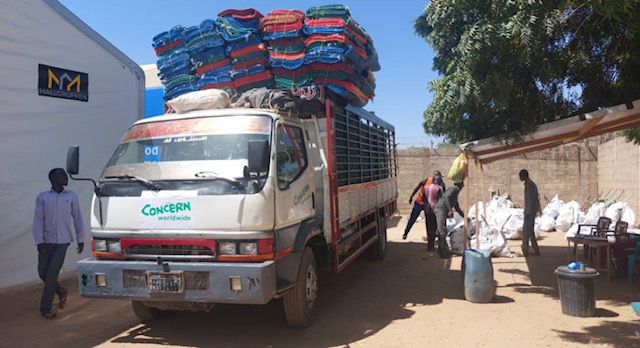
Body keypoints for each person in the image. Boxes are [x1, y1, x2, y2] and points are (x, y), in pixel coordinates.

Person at [33, 168, 85, 319]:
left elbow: (77, 218)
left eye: (65, 175)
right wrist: (39, 241)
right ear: (52, 178)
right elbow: (38, 220)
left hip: (63, 242)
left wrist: (80, 238)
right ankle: (61, 290)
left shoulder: (71, 196)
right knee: (42, 272)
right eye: (61, 175)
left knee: (51, 275)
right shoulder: (42, 197)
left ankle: (46, 308)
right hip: (46, 241)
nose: (65, 177)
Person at [403, 171, 446, 240]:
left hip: (426, 204)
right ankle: (406, 232)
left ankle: (430, 238)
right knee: (413, 218)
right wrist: (411, 196)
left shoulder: (440, 184)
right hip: (423, 203)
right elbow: (418, 187)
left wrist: (411, 197)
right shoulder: (428, 181)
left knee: (428, 222)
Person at [434, 181, 465, 258]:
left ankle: (441, 250)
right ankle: (442, 251)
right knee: (442, 230)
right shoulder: (453, 189)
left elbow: (457, 207)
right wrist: (450, 210)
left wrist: (464, 216)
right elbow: (446, 197)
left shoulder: (455, 195)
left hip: (443, 210)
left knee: (443, 230)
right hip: (441, 209)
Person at [519, 169, 541, 257]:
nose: (519, 177)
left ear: (524, 175)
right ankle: (536, 250)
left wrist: (528, 212)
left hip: (529, 213)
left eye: (520, 175)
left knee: (525, 232)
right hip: (531, 211)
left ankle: (525, 251)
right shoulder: (530, 184)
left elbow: (531, 200)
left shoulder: (529, 185)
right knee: (531, 232)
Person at [422, 176, 444, 251]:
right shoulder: (439, 188)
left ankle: (429, 245)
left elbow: (423, 198)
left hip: (426, 209)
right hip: (435, 209)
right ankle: (432, 246)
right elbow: (441, 200)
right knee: (434, 227)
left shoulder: (426, 187)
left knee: (428, 227)